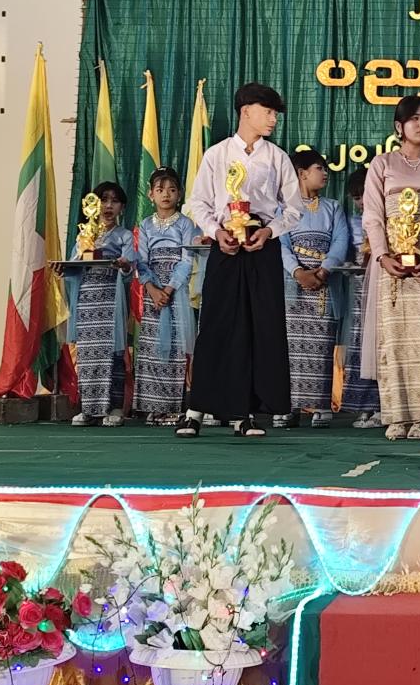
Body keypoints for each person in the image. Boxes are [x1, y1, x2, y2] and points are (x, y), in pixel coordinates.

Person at [181, 82, 300, 438]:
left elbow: (293, 208)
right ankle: (195, 410)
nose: (273, 119)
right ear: (246, 111)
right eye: (268, 112)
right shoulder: (217, 154)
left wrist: (270, 231)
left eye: (276, 114)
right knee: (216, 324)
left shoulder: (277, 157)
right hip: (226, 246)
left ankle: (245, 413)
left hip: (262, 247)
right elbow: (198, 202)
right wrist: (216, 231)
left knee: (258, 327)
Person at [363, 96, 420, 442]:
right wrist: (382, 256)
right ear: (398, 126)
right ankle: (396, 415)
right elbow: (373, 216)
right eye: (414, 118)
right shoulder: (383, 164)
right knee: (393, 341)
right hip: (391, 266)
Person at [282, 146, 351, 427]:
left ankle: (320, 404)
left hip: (324, 283)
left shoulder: (332, 207)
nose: (325, 173)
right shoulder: (284, 208)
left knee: (322, 345)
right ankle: (287, 406)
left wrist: (323, 270)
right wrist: (298, 272)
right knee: (289, 346)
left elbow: (341, 241)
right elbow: (280, 244)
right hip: (292, 285)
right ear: (301, 173)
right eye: (319, 168)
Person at [63, 181, 134, 426]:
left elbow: (130, 267)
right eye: (103, 200)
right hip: (86, 300)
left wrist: (123, 264)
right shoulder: (85, 234)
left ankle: (115, 408)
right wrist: (62, 269)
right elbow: (74, 264)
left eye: (114, 201)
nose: (108, 206)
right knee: (87, 354)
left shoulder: (124, 235)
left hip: (110, 298)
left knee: (112, 353)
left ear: (122, 207)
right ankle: (89, 408)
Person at [132, 168, 200, 426]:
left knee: (175, 348)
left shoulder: (185, 224)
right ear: (151, 194)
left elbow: (186, 260)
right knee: (152, 349)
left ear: (179, 194)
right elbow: (141, 261)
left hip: (176, 293)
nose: (166, 195)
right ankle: (152, 407)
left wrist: (169, 289)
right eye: (160, 190)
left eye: (172, 190)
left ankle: (173, 406)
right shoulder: (146, 225)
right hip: (153, 292)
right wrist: (151, 289)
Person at [340, 166, 382, 427]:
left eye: (364, 195)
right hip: (358, 291)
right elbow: (345, 253)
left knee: (381, 344)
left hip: (383, 285)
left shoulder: (390, 218)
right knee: (359, 345)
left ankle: (383, 405)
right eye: (356, 198)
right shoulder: (353, 222)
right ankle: (363, 407)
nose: (361, 202)